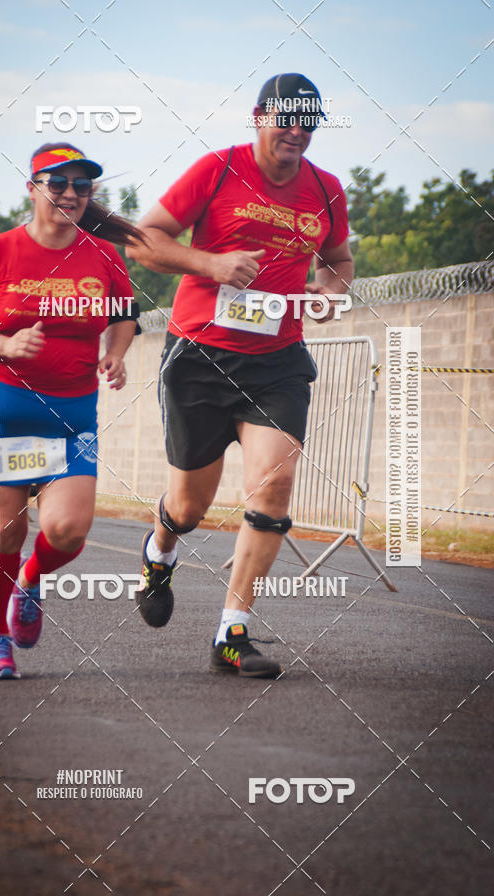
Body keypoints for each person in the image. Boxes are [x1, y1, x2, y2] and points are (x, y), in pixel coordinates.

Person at [127, 74, 353, 678]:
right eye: (287, 118)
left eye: (310, 120)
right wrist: (212, 263)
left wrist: (328, 293)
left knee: (273, 489)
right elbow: (143, 240)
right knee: (190, 505)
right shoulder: (217, 170)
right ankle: (159, 551)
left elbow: (339, 259)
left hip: (278, 361)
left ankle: (233, 631)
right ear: (258, 117)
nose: (298, 130)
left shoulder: (327, 189)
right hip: (200, 356)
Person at [0, 142, 143, 680]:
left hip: (71, 413)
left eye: (82, 186)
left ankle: (30, 580)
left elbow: (126, 315)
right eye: (58, 183)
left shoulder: (103, 255)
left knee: (68, 530)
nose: (71, 194)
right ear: (32, 188)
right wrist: (4, 346)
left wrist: (116, 354)